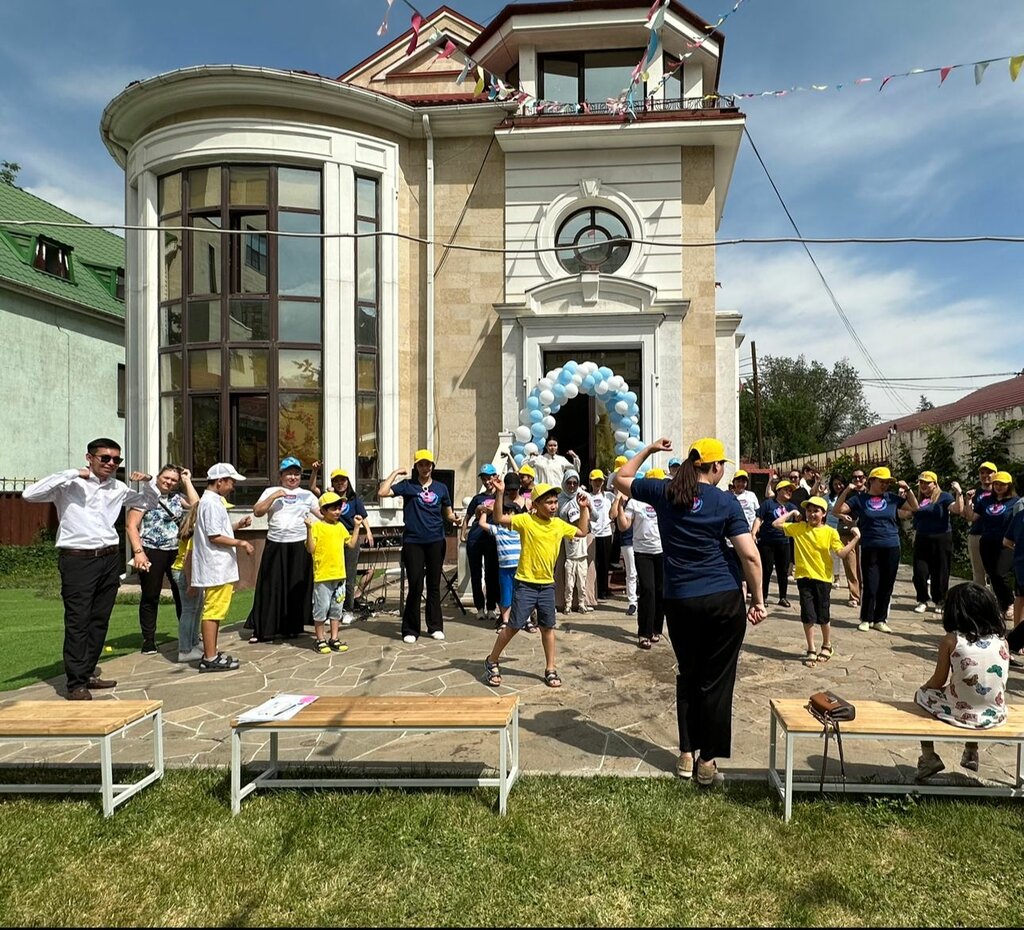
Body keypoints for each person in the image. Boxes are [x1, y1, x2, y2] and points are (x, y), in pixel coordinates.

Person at [615, 437, 767, 787]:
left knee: (688, 674)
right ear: (714, 467)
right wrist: (758, 600)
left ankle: (686, 753)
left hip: (680, 600)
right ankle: (707, 760)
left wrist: (649, 450)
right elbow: (749, 555)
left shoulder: (665, 491)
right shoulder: (725, 501)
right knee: (717, 680)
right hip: (722, 599)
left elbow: (619, 478)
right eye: (722, 465)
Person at [22, 438, 157, 700]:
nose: (111, 463)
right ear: (89, 458)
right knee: (78, 620)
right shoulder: (69, 485)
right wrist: (73, 472)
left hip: (108, 558)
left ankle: (87, 673)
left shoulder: (118, 487)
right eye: (105, 458)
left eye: (116, 459)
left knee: (100, 619)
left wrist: (149, 481)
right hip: (78, 560)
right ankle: (75, 684)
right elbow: (29, 495)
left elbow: (148, 503)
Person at [484, 479, 590, 689]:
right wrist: (500, 493)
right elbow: (498, 518)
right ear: (536, 504)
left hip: (547, 585)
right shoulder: (525, 521)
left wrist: (584, 508)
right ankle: (492, 660)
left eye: (555, 502)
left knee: (547, 628)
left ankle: (550, 668)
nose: (553, 506)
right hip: (525, 584)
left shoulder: (558, 524)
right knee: (513, 626)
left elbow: (582, 531)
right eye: (548, 502)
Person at [914, 582, 1008, 780]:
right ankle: (971, 751)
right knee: (971, 695)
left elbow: (938, 681)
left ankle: (929, 757)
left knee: (922, 696)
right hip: (995, 714)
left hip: (962, 713)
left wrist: (925, 688)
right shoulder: (1001, 641)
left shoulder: (952, 640)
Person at [379, 450, 462, 643]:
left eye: (428, 464)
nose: (425, 468)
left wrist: (455, 519)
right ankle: (410, 629)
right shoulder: (408, 485)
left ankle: (435, 626)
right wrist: (395, 473)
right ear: (416, 466)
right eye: (421, 464)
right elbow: (382, 492)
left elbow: (448, 513)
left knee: (434, 585)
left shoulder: (441, 488)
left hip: (436, 540)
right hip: (413, 541)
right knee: (415, 584)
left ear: (432, 466)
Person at [773, 497, 860, 666]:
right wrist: (792, 512)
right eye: (809, 510)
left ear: (824, 514)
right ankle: (811, 648)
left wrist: (856, 539)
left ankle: (827, 645)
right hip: (804, 578)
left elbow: (841, 553)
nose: (812, 514)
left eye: (816, 511)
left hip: (823, 579)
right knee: (807, 615)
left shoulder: (830, 532)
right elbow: (776, 524)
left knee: (823, 615)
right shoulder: (799, 528)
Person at [126, 465, 200, 654]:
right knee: (151, 595)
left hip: (176, 551)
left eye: (174, 480)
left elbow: (196, 505)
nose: (169, 482)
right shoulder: (145, 497)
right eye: (166, 478)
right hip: (152, 550)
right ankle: (149, 639)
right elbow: (131, 525)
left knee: (181, 593)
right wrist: (138, 552)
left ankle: (188, 634)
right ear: (158, 477)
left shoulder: (177, 498)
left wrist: (187, 480)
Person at [834, 466, 917, 633]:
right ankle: (866, 618)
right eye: (882, 481)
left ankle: (880, 619)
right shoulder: (860, 499)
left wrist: (908, 489)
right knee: (871, 584)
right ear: (871, 481)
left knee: (887, 585)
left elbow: (914, 508)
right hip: (870, 546)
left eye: (887, 482)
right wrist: (846, 491)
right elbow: (837, 510)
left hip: (891, 545)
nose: (885, 485)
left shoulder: (892, 498)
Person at [245, 456, 319, 643]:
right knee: (270, 587)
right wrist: (274, 497)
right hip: (276, 543)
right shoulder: (270, 491)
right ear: (281, 476)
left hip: (300, 544)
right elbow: (257, 511)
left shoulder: (307, 495)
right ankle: (263, 629)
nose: (293, 477)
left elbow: (322, 514)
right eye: (289, 474)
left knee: (297, 587)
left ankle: (292, 628)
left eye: (296, 474)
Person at [191, 462, 253, 672]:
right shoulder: (211, 504)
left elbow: (218, 530)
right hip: (216, 567)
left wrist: (237, 526)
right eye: (231, 482)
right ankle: (209, 657)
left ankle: (212, 653)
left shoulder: (212, 502)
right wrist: (241, 542)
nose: (233, 487)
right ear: (219, 482)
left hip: (219, 566)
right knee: (213, 611)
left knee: (215, 611)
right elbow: (214, 536)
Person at [305, 491, 366, 654]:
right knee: (321, 609)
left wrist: (357, 527)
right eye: (333, 508)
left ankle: (334, 638)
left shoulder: (340, 527)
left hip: (339, 576)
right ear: (323, 511)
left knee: (336, 610)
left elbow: (351, 544)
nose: (338, 511)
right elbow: (311, 549)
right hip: (323, 577)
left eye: (339, 508)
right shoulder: (317, 527)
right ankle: (320, 639)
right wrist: (308, 529)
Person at [615, 469, 666, 649]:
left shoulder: (664, 500)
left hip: (662, 551)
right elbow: (624, 526)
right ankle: (644, 632)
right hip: (643, 551)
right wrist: (620, 508)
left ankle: (656, 629)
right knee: (648, 590)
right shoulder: (636, 502)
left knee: (660, 591)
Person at [965, 470, 1019, 617]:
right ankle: (1002, 605)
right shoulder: (986, 500)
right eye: (996, 484)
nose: (999, 487)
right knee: (993, 575)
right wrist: (968, 501)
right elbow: (971, 517)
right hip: (987, 542)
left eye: (1002, 484)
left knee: (1001, 573)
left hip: (1006, 543)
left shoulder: (1016, 502)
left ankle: (1010, 602)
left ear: (1009, 485)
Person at [478, 475, 524, 632]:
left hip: (520, 567)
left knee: (521, 594)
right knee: (505, 595)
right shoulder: (498, 530)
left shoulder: (520, 529)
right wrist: (485, 511)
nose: (509, 515)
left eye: (512, 513)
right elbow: (482, 523)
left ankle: (524, 620)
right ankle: (505, 620)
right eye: (506, 512)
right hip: (504, 568)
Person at [912, 471, 962, 615]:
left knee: (940, 571)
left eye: (927, 483)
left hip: (941, 538)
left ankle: (940, 599)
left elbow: (957, 509)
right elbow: (906, 514)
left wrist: (959, 493)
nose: (923, 485)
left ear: (934, 484)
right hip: (922, 537)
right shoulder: (918, 499)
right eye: (921, 482)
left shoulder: (944, 496)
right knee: (920, 572)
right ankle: (922, 599)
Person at [327, 469, 373, 623]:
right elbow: (314, 489)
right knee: (333, 575)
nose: (340, 483)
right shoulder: (330, 498)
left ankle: (348, 609)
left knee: (349, 574)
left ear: (348, 482)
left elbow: (363, 516)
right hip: (334, 537)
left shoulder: (355, 499)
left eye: (343, 480)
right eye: (336, 481)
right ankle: (333, 610)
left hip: (351, 536)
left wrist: (368, 531)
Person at [462, 463, 500, 622]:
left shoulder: (501, 496)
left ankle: (491, 608)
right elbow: (467, 517)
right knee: (476, 574)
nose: (487, 481)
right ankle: (479, 608)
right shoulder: (478, 498)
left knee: (492, 575)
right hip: (475, 539)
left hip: (492, 540)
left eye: (489, 478)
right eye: (484, 479)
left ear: (495, 477)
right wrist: (463, 534)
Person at [751, 479, 797, 607]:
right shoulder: (768, 504)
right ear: (778, 490)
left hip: (784, 542)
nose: (789, 492)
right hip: (767, 542)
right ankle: (763, 597)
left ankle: (783, 597)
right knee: (766, 570)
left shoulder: (791, 507)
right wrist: (753, 533)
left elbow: (798, 521)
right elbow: (759, 518)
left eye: (790, 490)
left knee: (783, 571)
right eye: (786, 489)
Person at [170, 506, 203, 662]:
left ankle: (193, 642)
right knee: (189, 610)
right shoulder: (195, 533)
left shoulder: (195, 530)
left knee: (196, 609)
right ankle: (185, 649)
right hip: (185, 574)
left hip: (190, 573)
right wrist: (191, 584)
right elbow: (187, 560)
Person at [558, 469, 591, 615]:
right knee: (569, 584)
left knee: (582, 583)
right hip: (570, 559)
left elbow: (590, 517)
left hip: (582, 557)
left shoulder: (583, 531)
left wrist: (585, 508)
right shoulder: (568, 530)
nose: (572, 485)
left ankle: (582, 603)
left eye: (574, 483)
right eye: (569, 482)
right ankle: (568, 604)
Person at [965, 462, 998, 585]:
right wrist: (968, 500)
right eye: (982, 473)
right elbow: (969, 516)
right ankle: (979, 596)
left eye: (989, 472)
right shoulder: (974, 493)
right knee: (978, 572)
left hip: (996, 535)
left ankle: (996, 596)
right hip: (977, 534)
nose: (985, 475)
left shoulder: (1000, 492)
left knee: (996, 572)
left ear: (995, 474)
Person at [587, 469, 614, 600]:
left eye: (600, 480)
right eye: (595, 480)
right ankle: (593, 591)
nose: (597, 483)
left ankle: (604, 590)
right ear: (590, 482)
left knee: (604, 564)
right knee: (593, 564)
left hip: (606, 533)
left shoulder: (609, 496)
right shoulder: (587, 496)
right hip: (592, 533)